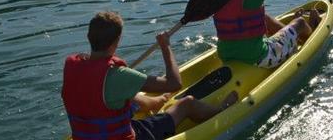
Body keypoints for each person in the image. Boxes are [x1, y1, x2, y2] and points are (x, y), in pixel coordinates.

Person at [62, 11, 237, 140]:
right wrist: (165, 47)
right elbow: (174, 83)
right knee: (187, 103)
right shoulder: (119, 76)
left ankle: (157, 101)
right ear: (117, 41)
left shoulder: (71, 65)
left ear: (88, 37)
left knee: (132, 96)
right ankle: (222, 110)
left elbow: (109, 90)